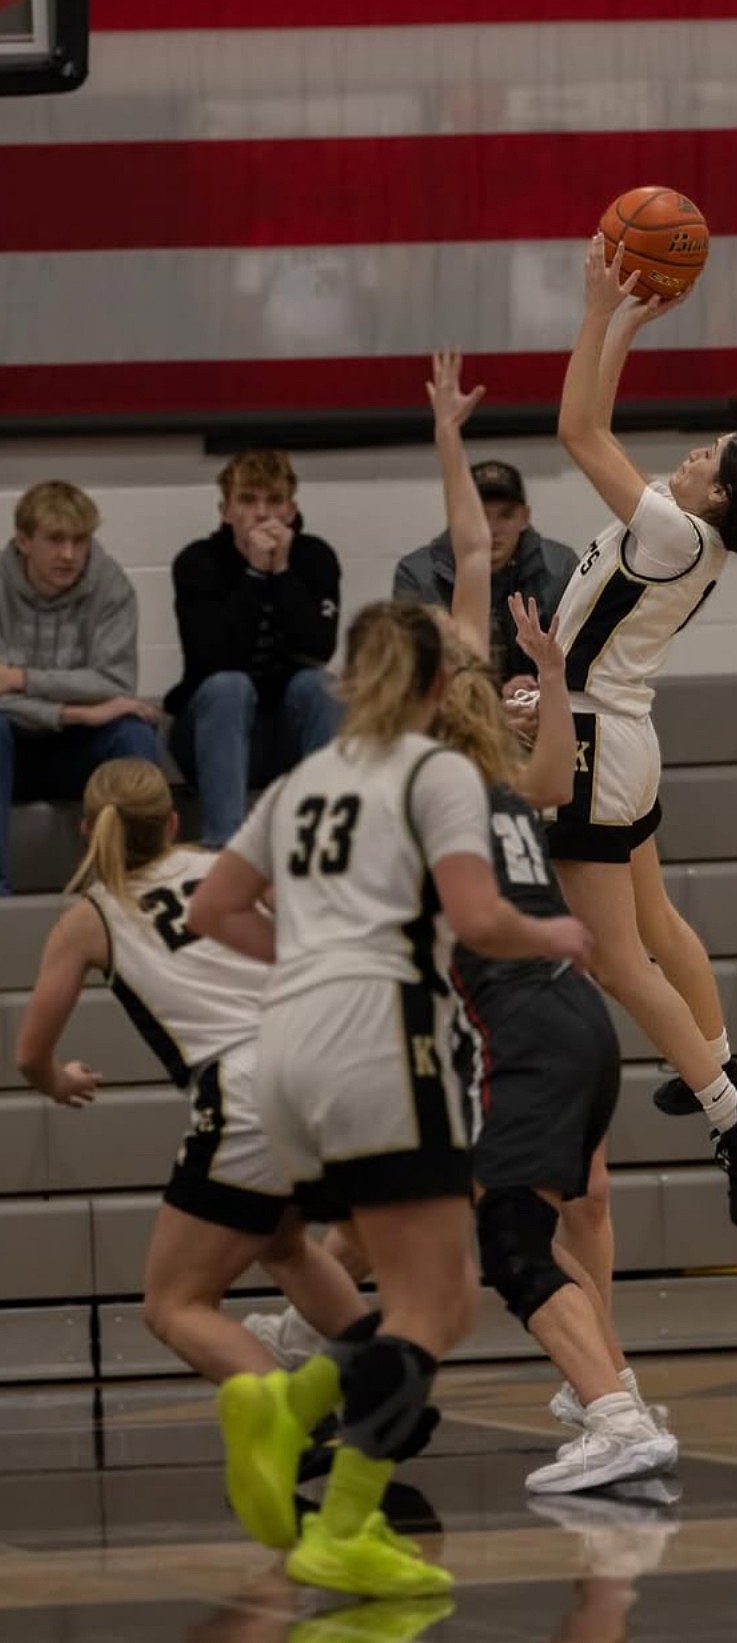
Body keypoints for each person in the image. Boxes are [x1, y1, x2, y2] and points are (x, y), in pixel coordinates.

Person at [245, 353, 677, 1497]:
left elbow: (474, 560)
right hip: (564, 1025)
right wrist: (444, 436)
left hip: (524, 1016)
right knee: (480, 1194)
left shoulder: (416, 777)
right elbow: (475, 557)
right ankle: (589, 1383)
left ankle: (612, 1404)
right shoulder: (485, 760)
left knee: (507, 1232)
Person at [187, 599, 592, 1600]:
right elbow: (476, 912)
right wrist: (549, 936)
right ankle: (340, 1512)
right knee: (439, 1300)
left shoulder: (299, 780)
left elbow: (209, 908)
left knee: (395, 1285)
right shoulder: (438, 771)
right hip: (382, 1040)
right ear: (426, 685)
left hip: (284, 1051)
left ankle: (298, 1404)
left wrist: (309, 959)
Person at [548, 236, 737, 1238]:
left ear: (722, 495)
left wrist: (596, 309)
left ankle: (735, 1115)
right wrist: (628, 325)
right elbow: (598, 422)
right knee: (654, 927)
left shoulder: (675, 532)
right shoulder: (686, 530)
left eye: (710, 459)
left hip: (596, 744)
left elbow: (572, 430)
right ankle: (718, 1065)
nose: (691, 452)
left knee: (614, 959)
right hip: (619, 735)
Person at [13, 757, 367, 1385]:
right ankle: (387, 1384)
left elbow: (30, 1053)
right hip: (326, 1061)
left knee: (174, 1305)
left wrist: (57, 1081)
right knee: (283, 1246)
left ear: (88, 829)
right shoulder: (222, 864)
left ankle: (293, 1427)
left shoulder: (89, 918)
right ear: (173, 822)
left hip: (249, 1084)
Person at [164, 450, 342, 847]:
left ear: (292, 509)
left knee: (321, 685)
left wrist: (280, 572)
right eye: (248, 501)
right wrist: (254, 573)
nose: (263, 515)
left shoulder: (315, 558)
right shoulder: (197, 563)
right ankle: (222, 849)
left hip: (282, 730)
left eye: (275, 501)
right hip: (210, 730)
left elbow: (317, 647)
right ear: (225, 511)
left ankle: (323, 844)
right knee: (229, 686)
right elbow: (214, 657)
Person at [0, 481, 158, 895]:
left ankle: (140, 887)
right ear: (23, 541)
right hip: (12, 745)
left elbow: (115, 682)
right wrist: (74, 711)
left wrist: (22, 679)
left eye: (79, 540)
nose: (69, 555)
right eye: (55, 540)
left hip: (78, 750)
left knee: (132, 732)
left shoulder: (112, 585)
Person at [393, 450, 577, 687]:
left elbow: (577, 660)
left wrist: (538, 697)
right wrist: (498, 698)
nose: (491, 529)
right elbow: (414, 673)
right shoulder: (416, 575)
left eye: (505, 515)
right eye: (479, 514)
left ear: (524, 518)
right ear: (457, 517)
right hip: (452, 712)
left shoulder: (560, 568)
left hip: (538, 710)